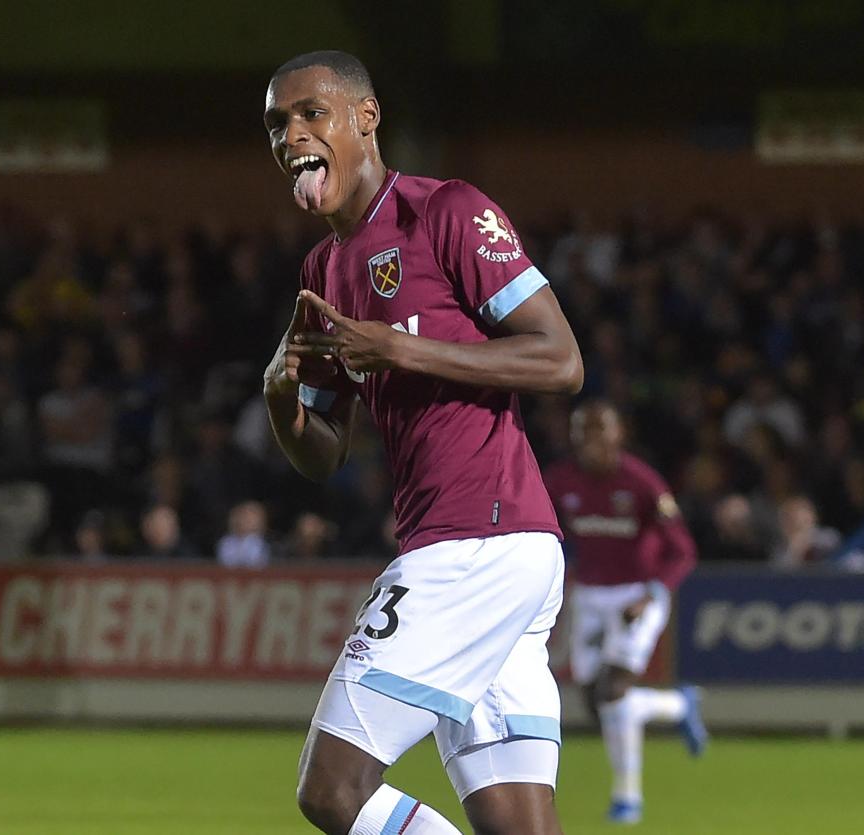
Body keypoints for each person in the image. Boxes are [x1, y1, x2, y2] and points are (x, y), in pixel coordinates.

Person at [262, 51, 583, 835]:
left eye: (312, 114)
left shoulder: (447, 211)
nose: (293, 135)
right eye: (278, 123)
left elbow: (560, 359)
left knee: (331, 788)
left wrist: (405, 349)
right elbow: (325, 453)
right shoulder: (325, 267)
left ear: (365, 118)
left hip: (479, 539)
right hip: (487, 549)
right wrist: (281, 400)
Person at [543, 400, 707, 825]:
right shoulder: (561, 481)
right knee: (594, 700)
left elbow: (683, 552)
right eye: (582, 432)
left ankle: (627, 798)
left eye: (599, 431)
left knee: (614, 691)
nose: (589, 442)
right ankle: (678, 705)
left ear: (619, 435)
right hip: (591, 597)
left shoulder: (642, 483)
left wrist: (653, 591)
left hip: (639, 596)